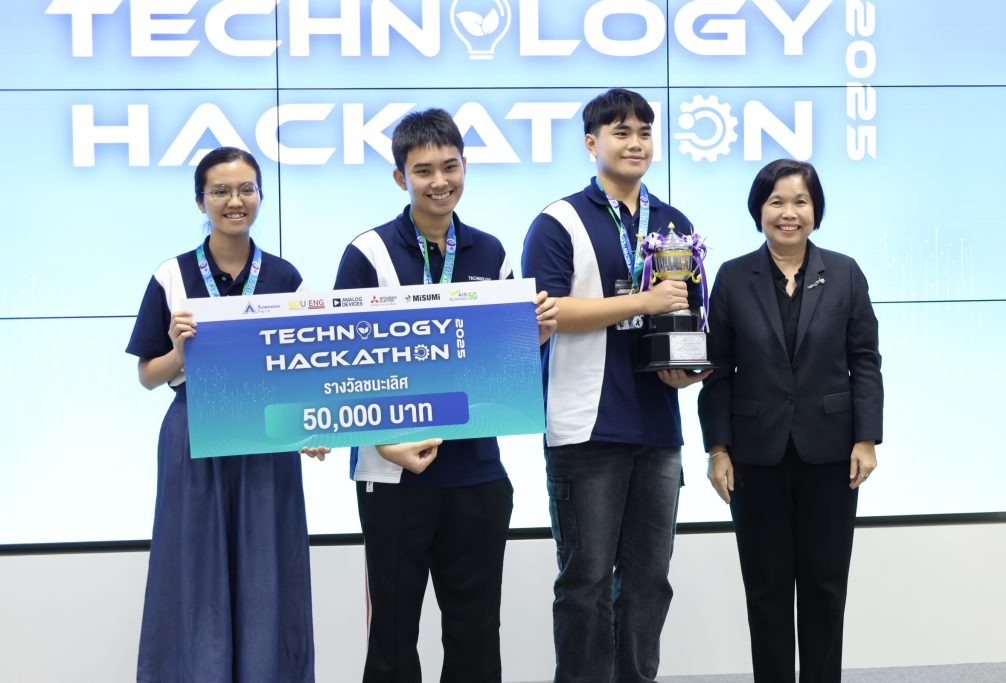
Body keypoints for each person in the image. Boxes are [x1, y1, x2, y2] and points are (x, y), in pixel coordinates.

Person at [333, 108, 557, 683]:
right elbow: (342, 367)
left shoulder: (490, 252)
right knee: (392, 637)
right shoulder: (369, 253)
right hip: (393, 477)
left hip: (477, 473)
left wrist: (532, 338)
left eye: (450, 167)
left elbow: (505, 365)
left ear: (465, 167)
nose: (440, 181)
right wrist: (384, 444)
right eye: (423, 170)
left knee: (475, 634)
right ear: (400, 177)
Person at [521, 87, 709, 683]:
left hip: (657, 428)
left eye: (644, 133)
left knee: (650, 582)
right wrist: (640, 301)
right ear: (591, 142)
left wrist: (689, 367)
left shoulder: (674, 224)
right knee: (587, 583)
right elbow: (547, 311)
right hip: (586, 427)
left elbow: (687, 313)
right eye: (621, 132)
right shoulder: (558, 221)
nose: (635, 143)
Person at [126, 147, 316, 682]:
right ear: (201, 201)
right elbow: (147, 375)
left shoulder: (285, 277)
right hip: (195, 432)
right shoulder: (172, 275)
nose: (235, 201)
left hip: (266, 435)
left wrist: (312, 426)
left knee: (267, 569)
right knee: (195, 570)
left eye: (246, 189)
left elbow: (305, 370)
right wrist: (179, 354)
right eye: (221, 191)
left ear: (260, 196)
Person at [697, 159, 883, 682]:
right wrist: (718, 449)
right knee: (767, 590)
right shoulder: (734, 276)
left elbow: (865, 359)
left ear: (815, 210)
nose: (789, 213)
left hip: (831, 454)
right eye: (776, 201)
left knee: (825, 587)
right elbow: (718, 372)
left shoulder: (845, 272)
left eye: (800, 201)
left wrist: (866, 438)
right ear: (759, 210)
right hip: (755, 456)